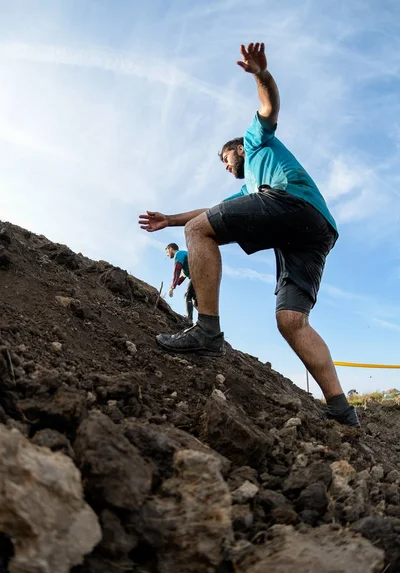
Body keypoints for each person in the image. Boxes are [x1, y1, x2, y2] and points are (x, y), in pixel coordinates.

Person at [139, 42, 359, 428]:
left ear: (238, 148)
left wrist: (261, 74)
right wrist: (170, 219)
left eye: (226, 160)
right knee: (292, 320)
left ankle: (207, 331)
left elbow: (269, 107)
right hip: (317, 230)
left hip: (292, 203)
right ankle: (342, 409)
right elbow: (206, 214)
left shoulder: (256, 141)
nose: (227, 167)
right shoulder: (249, 190)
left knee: (198, 231)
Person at [165, 243, 197, 325]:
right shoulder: (184, 254)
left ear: (170, 248)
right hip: (201, 275)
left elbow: (177, 271)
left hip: (197, 275)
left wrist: (172, 288)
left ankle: (189, 321)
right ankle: (204, 321)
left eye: (167, 252)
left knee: (187, 296)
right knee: (196, 301)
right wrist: (176, 283)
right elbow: (183, 275)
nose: (167, 255)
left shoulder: (178, 254)